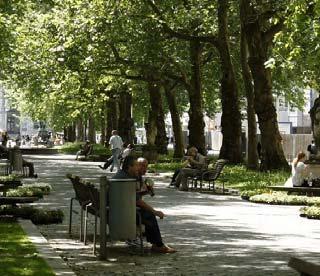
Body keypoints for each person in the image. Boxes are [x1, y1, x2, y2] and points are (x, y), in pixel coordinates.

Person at [113, 156, 176, 253]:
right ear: (129, 167)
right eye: (137, 166)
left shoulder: (126, 175)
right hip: (120, 212)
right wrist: (155, 211)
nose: (139, 168)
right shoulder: (125, 179)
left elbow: (134, 196)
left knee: (147, 214)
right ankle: (158, 245)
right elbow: (136, 200)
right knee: (149, 215)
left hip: (120, 208)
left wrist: (145, 191)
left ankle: (156, 243)